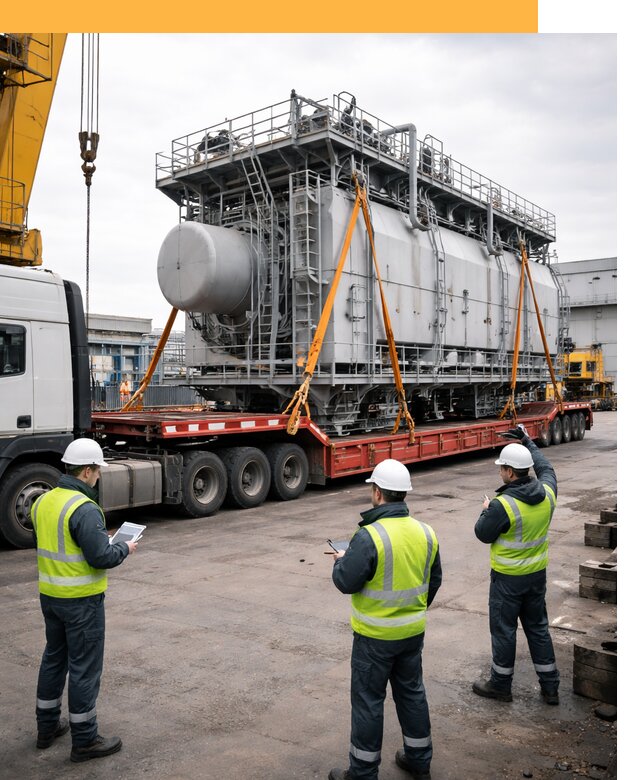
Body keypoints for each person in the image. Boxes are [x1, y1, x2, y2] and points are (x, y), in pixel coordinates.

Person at [329, 459, 442, 780]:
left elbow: (346, 582)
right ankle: (419, 762)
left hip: (374, 639)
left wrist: (341, 561)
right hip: (411, 634)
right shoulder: (427, 532)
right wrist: (412, 612)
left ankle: (363, 773)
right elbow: (433, 581)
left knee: (368, 702)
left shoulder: (368, 536)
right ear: (404, 494)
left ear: (377, 492)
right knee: (412, 694)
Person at [32, 438, 138, 762]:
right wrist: (124, 547)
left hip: (51, 597)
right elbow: (100, 557)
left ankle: (47, 727)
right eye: (98, 471)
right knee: (84, 669)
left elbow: (63, 544)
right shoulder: (84, 508)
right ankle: (85, 739)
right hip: (82, 602)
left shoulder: (43, 502)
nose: (98, 477)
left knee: (54, 658)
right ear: (88, 471)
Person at [472, 425, 560, 705]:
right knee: (538, 628)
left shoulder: (502, 505)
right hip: (536, 578)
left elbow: (482, 533)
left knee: (504, 631)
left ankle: (500, 685)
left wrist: (486, 510)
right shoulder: (547, 493)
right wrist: (528, 442)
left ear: (510, 473)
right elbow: (547, 469)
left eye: (502, 469)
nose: (501, 473)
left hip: (508, 581)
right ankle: (550, 688)